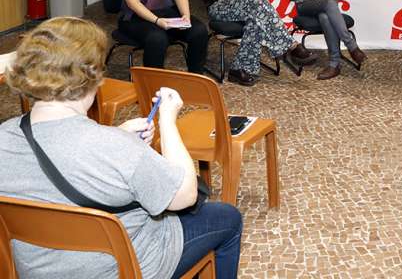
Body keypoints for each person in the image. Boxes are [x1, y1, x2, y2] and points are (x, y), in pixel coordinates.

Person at [0, 17, 243, 278]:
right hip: (122, 269)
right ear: (90, 77)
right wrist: (168, 122)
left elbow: (63, 152)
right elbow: (185, 196)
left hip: (38, 270)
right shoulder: (117, 148)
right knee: (227, 218)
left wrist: (117, 135)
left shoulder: (4, 137)